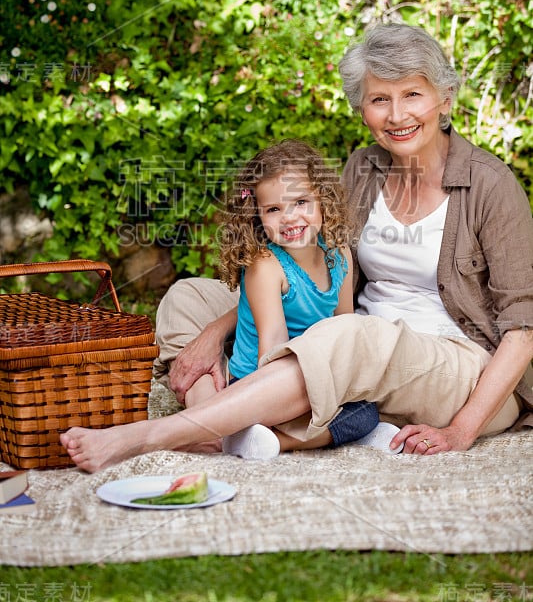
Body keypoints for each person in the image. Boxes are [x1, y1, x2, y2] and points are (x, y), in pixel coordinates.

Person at [61, 23, 533, 472]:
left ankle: (152, 435)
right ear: (361, 107)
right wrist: (215, 330)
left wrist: (462, 431)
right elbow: (310, 265)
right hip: (355, 337)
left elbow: (523, 331)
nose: (396, 115)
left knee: (349, 335)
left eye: (413, 94)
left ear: (444, 97)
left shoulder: (490, 186)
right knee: (191, 298)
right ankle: (220, 427)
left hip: (456, 366)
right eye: (379, 99)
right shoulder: (363, 168)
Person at [208, 139, 396, 458]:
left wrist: (343, 385)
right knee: (359, 417)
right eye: (273, 209)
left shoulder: (339, 256)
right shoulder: (266, 266)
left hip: (314, 375)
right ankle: (280, 436)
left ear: (322, 200)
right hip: (259, 380)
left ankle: (280, 437)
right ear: (257, 216)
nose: (290, 218)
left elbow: (344, 330)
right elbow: (272, 349)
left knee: (366, 410)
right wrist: (311, 395)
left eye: (301, 202)